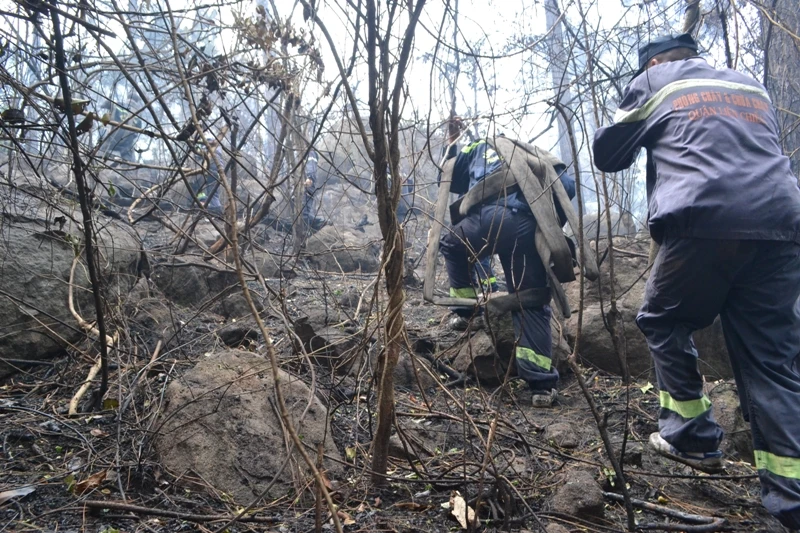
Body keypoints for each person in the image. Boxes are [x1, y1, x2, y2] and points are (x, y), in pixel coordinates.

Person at [593, 33, 800, 529]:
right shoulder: (750, 84)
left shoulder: (656, 81)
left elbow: (608, 153)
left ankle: (692, 435)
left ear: (657, 61)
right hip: (781, 223)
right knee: (773, 360)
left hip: (705, 217)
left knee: (662, 318)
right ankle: (791, 501)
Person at [440, 122, 576, 406]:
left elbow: (450, 173)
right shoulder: (536, 154)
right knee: (530, 299)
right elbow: (567, 187)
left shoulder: (478, 146)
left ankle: (464, 312)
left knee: (453, 244)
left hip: (487, 221)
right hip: (525, 229)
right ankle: (541, 386)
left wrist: (451, 142)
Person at [301, 150, 327, 231]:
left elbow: (311, 166)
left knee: (305, 212)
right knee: (304, 211)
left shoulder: (310, 152)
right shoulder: (302, 153)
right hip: (303, 184)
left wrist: (310, 178)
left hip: (307, 184)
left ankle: (308, 233)